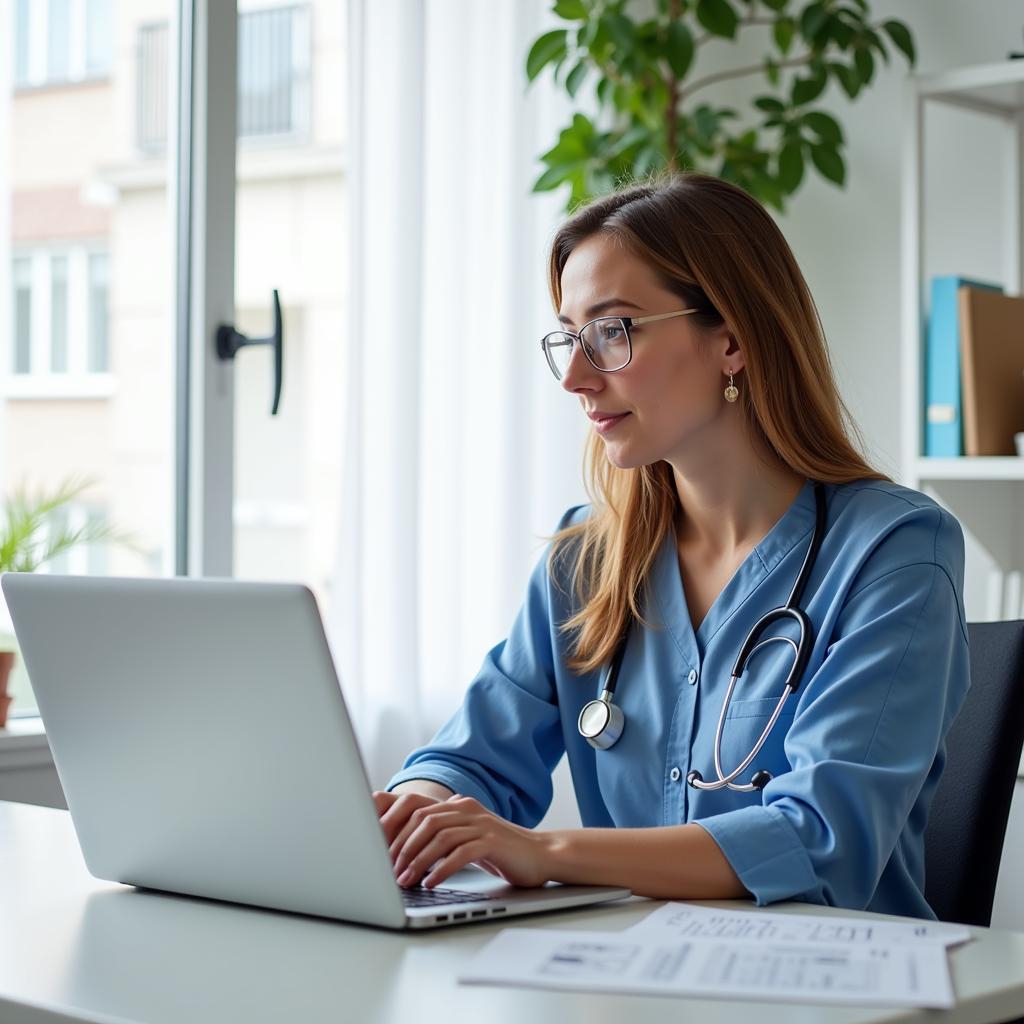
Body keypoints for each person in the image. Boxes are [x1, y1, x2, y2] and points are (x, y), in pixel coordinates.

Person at [373, 172, 970, 919]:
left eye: (612, 332)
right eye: (569, 340)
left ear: (731, 340)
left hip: (829, 992)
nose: (578, 379)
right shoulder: (583, 564)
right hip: (630, 976)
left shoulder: (896, 551)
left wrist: (547, 852)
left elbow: (823, 839)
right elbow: (467, 761)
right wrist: (413, 812)